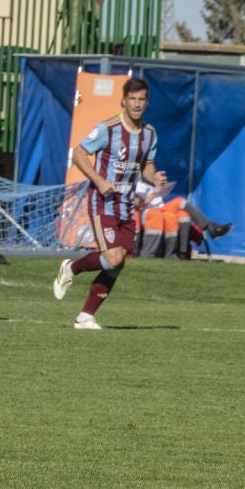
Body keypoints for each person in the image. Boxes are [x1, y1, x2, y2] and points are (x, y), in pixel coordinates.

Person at [52, 78, 166, 330]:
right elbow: (80, 153)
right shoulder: (108, 128)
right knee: (112, 257)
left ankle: (85, 317)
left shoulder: (149, 134)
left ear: (147, 102)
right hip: (102, 203)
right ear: (123, 101)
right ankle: (71, 267)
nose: (136, 105)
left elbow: (146, 166)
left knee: (117, 263)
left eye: (141, 100)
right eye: (132, 99)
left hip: (126, 205)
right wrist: (99, 180)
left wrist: (154, 176)